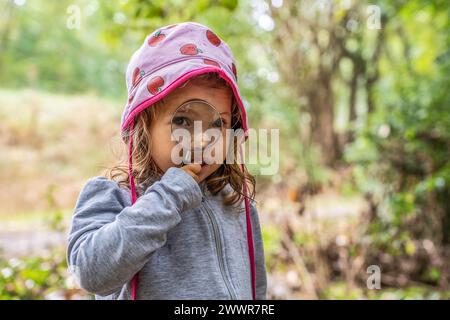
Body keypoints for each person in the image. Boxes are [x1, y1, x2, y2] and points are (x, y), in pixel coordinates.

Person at [66, 22, 267, 300]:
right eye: (183, 120)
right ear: (144, 127)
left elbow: (256, 287)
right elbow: (89, 273)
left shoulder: (235, 202)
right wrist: (169, 196)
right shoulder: (114, 196)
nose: (202, 139)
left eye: (217, 123)